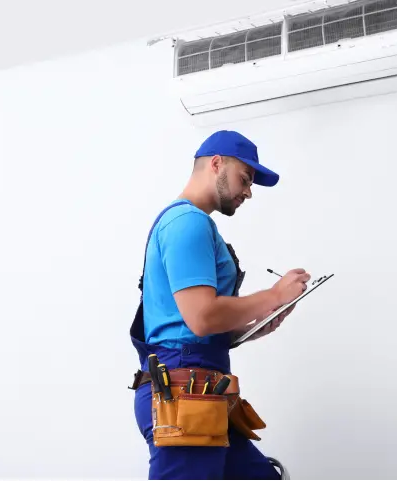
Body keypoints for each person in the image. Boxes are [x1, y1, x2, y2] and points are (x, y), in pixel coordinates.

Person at [128, 130, 309, 479]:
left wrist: (254, 326)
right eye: (245, 178)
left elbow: (193, 326)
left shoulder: (190, 224)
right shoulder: (188, 222)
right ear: (216, 164)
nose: (248, 192)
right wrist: (273, 296)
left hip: (202, 391)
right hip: (185, 395)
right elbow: (201, 316)